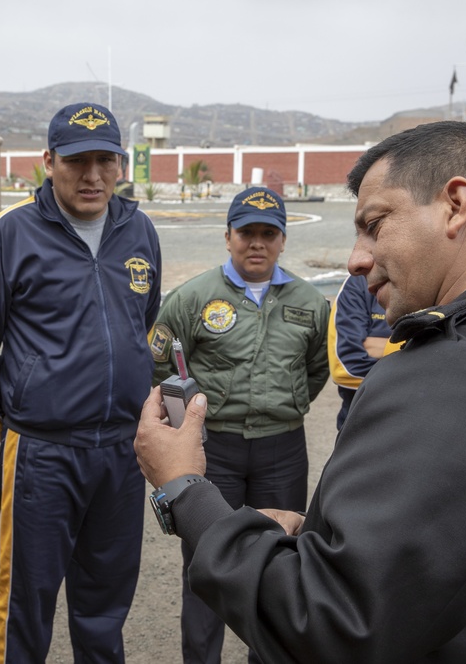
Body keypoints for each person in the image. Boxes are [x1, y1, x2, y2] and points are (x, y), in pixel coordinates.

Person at [134, 121, 466, 662]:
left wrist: (185, 488)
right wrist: (317, 536)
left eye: (375, 224)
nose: (356, 259)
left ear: (455, 205)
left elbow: (329, 626)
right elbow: (455, 546)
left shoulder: (452, 376)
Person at [0, 101, 161, 663]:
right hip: (42, 452)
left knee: (106, 603)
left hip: (121, 452)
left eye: (105, 161)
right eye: (77, 161)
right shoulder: (9, 233)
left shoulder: (138, 230)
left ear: (120, 163)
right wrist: (8, 420)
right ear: (48, 161)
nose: (92, 176)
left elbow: (143, 325)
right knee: (26, 602)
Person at [148, 186, 329, 664]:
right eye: (247, 232)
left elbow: (316, 370)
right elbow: (160, 367)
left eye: (269, 233)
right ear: (227, 235)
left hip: (282, 451)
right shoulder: (192, 298)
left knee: (282, 561)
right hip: (214, 451)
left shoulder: (311, 303)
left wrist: (284, 405)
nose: (257, 243)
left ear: (283, 240)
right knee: (207, 564)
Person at [326, 273, 390, 430]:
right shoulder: (359, 282)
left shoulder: (437, 282)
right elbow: (345, 368)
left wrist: (386, 348)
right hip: (362, 426)